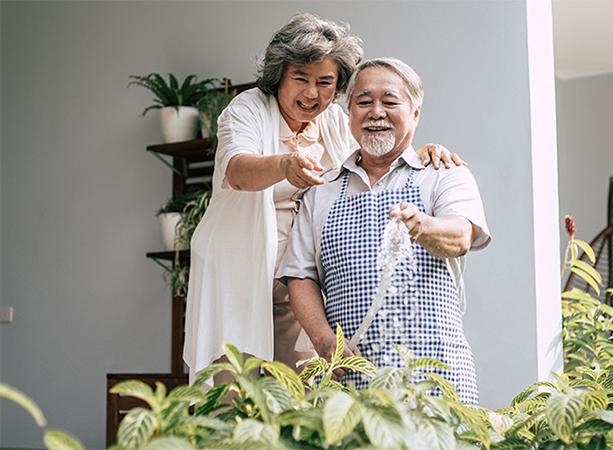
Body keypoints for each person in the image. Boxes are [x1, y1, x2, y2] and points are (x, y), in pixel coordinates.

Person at [183, 14, 462, 386]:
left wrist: (420, 149)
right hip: (241, 269)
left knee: (300, 394)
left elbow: (372, 158)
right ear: (278, 75)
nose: (312, 94)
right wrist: (285, 165)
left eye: (325, 82)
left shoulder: (333, 121)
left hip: (298, 279)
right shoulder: (247, 108)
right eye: (301, 78)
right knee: (236, 388)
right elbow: (237, 171)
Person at [277, 58, 491, 404]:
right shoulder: (322, 191)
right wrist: (322, 339)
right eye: (364, 102)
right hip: (351, 381)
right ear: (349, 115)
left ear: (415, 113)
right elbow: (299, 275)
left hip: (435, 376)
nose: (376, 112)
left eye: (390, 102)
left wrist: (422, 225)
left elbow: (461, 235)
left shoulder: (443, 173)